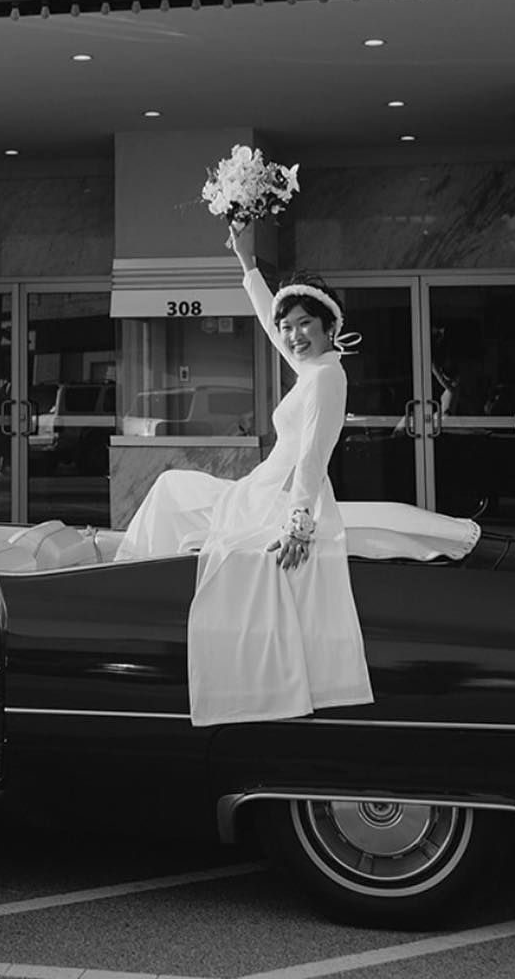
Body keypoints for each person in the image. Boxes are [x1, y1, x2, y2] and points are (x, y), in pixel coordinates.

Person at [115, 221, 373, 725]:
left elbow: (313, 457)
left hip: (279, 496)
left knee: (172, 490)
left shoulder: (326, 378)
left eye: (305, 324)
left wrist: (299, 524)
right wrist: (247, 264)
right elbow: (267, 321)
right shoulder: (314, 368)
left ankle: (134, 598)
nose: (294, 335)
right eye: (289, 326)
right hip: (261, 487)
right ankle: (139, 588)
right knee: (172, 490)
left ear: (328, 328)